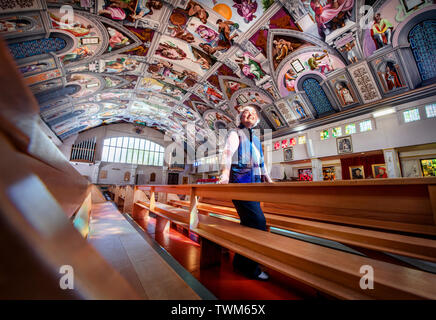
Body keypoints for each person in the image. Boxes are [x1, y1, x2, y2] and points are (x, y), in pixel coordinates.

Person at [218, 105, 273, 281]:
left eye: (254, 113)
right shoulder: (235, 133)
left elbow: (261, 162)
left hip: (255, 184)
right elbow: (227, 154)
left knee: (250, 223)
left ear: (257, 120)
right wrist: (225, 174)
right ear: (240, 117)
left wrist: (268, 178)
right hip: (241, 183)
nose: (250, 115)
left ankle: (242, 264)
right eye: (246, 112)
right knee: (258, 222)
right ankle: (249, 268)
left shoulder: (256, 139)